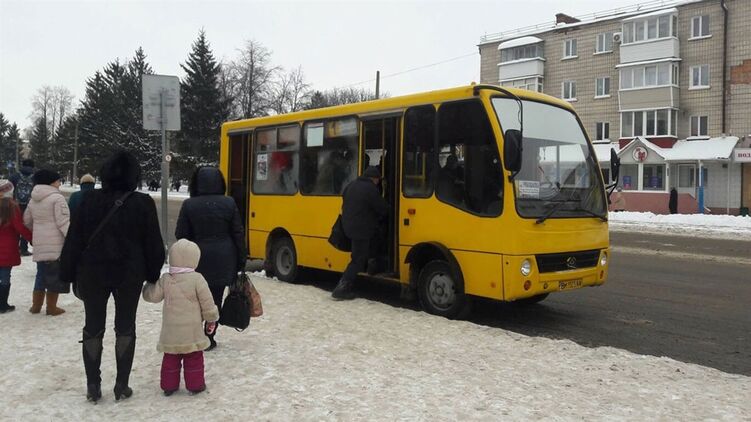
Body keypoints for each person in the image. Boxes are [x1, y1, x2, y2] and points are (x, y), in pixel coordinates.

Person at [60, 151, 165, 402]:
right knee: (126, 327)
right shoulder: (143, 203)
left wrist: (68, 273)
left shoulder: (88, 200)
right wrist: (152, 273)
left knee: (93, 327)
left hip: (92, 272)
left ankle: (93, 385)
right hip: (129, 274)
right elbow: (153, 243)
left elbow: (74, 239)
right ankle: (121, 384)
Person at [175, 166, 245, 351]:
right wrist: (241, 259)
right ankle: (209, 336)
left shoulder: (189, 205)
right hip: (224, 258)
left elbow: (180, 234)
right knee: (215, 299)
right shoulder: (229, 203)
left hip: (196, 259)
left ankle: (193, 334)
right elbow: (238, 233)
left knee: (195, 299)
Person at [142, 239, 219, 396]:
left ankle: (169, 386)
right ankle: (195, 385)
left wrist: (146, 287)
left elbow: (153, 296)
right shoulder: (197, 279)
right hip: (192, 331)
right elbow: (207, 302)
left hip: (171, 331)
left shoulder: (166, 279)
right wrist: (211, 318)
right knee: (194, 358)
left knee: (170, 359)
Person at [332, 166, 388, 300]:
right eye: (378, 180)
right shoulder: (371, 189)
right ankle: (341, 288)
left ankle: (371, 263)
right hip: (361, 229)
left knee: (371, 243)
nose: (378, 183)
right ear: (374, 179)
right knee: (357, 260)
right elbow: (382, 208)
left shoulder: (351, 185)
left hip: (348, 226)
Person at [23, 169, 70, 316]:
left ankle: (36, 306)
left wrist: (38, 231)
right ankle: (51, 307)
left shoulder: (33, 199)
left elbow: (27, 221)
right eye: (58, 180)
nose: (59, 183)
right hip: (55, 243)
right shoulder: (57, 198)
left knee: (41, 273)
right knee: (54, 275)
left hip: (39, 242)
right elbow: (63, 222)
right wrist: (71, 238)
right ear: (51, 181)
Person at [0, 179, 33, 313]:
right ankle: (2, 304)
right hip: (7, 247)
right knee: (5, 276)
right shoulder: (12, 206)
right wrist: (31, 238)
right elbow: (19, 226)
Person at [9, 159, 35, 256]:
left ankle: (14, 248)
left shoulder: (14, 176)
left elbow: (9, 190)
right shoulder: (35, 177)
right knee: (26, 225)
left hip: (15, 205)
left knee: (15, 225)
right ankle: (24, 249)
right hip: (29, 205)